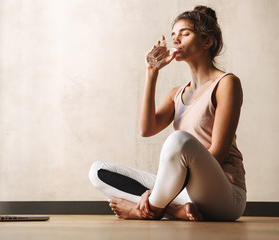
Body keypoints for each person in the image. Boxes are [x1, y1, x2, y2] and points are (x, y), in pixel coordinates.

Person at [88, 5, 246, 221]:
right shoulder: (176, 94)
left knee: (179, 140)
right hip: (186, 192)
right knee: (98, 171)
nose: (176, 40)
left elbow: (218, 152)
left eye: (185, 33)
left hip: (225, 195)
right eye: (174, 35)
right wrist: (151, 73)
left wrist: (160, 192)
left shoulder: (227, 83)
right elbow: (146, 129)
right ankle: (175, 209)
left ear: (207, 41)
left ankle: (150, 209)